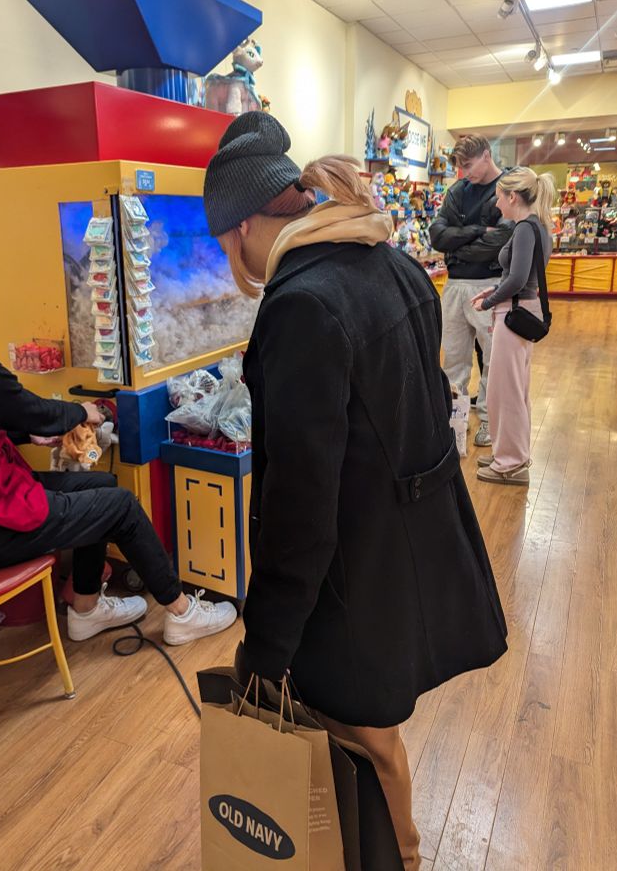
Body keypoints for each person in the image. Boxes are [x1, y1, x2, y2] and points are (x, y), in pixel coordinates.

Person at [203, 113, 508, 870]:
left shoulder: (300, 303)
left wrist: (266, 643)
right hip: (405, 551)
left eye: (224, 248)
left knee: (361, 743)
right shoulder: (388, 260)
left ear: (243, 225)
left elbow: (299, 500)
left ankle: (398, 857)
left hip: (350, 576)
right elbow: (433, 400)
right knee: (373, 735)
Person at [0, 230, 237, 646]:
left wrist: (27, 434)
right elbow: (35, 409)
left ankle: (86, 608)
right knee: (121, 506)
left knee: (101, 485)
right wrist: (84, 412)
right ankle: (182, 613)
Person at [472, 168, 554, 486]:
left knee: (505, 391)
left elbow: (518, 279)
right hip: (524, 308)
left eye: (498, 196)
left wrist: (490, 302)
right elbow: (522, 278)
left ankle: (511, 461)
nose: (496, 203)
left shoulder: (523, 229)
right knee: (514, 389)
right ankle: (509, 452)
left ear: (512, 196)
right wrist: (491, 292)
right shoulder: (539, 227)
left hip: (514, 311)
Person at [429, 135, 513, 447]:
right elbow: (437, 235)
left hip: (489, 284)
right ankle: (455, 422)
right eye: (460, 167)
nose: (465, 172)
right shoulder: (457, 191)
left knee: (493, 358)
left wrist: (457, 248)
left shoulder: (508, 188)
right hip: (454, 286)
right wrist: (477, 231)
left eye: (469, 164)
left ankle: (489, 422)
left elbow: (504, 238)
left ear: (486, 155)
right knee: (452, 358)